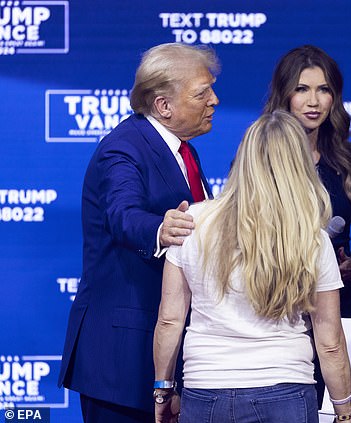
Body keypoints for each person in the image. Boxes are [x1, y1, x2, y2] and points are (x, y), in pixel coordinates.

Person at [152, 110, 351, 423]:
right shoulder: (310, 238)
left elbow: (169, 320)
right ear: (299, 166)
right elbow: (330, 342)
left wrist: (163, 390)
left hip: (205, 393)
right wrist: (344, 413)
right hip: (285, 392)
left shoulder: (192, 223)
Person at [58, 43, 220, 423]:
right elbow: (122, 214)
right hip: (122, 359)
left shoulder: (184, 152)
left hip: (165, 355)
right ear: (164, 105)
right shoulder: (123, 148)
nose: (214, 100)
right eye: (202, 92)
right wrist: (161, 228)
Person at [263, 44, 351, 407]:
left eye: (323, 89)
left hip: (341, 306)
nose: (313, 101)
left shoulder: (349, 159)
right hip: (279, 311)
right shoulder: (260, 155)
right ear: (285, 95)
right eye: (302, 89)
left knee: (338, 405)